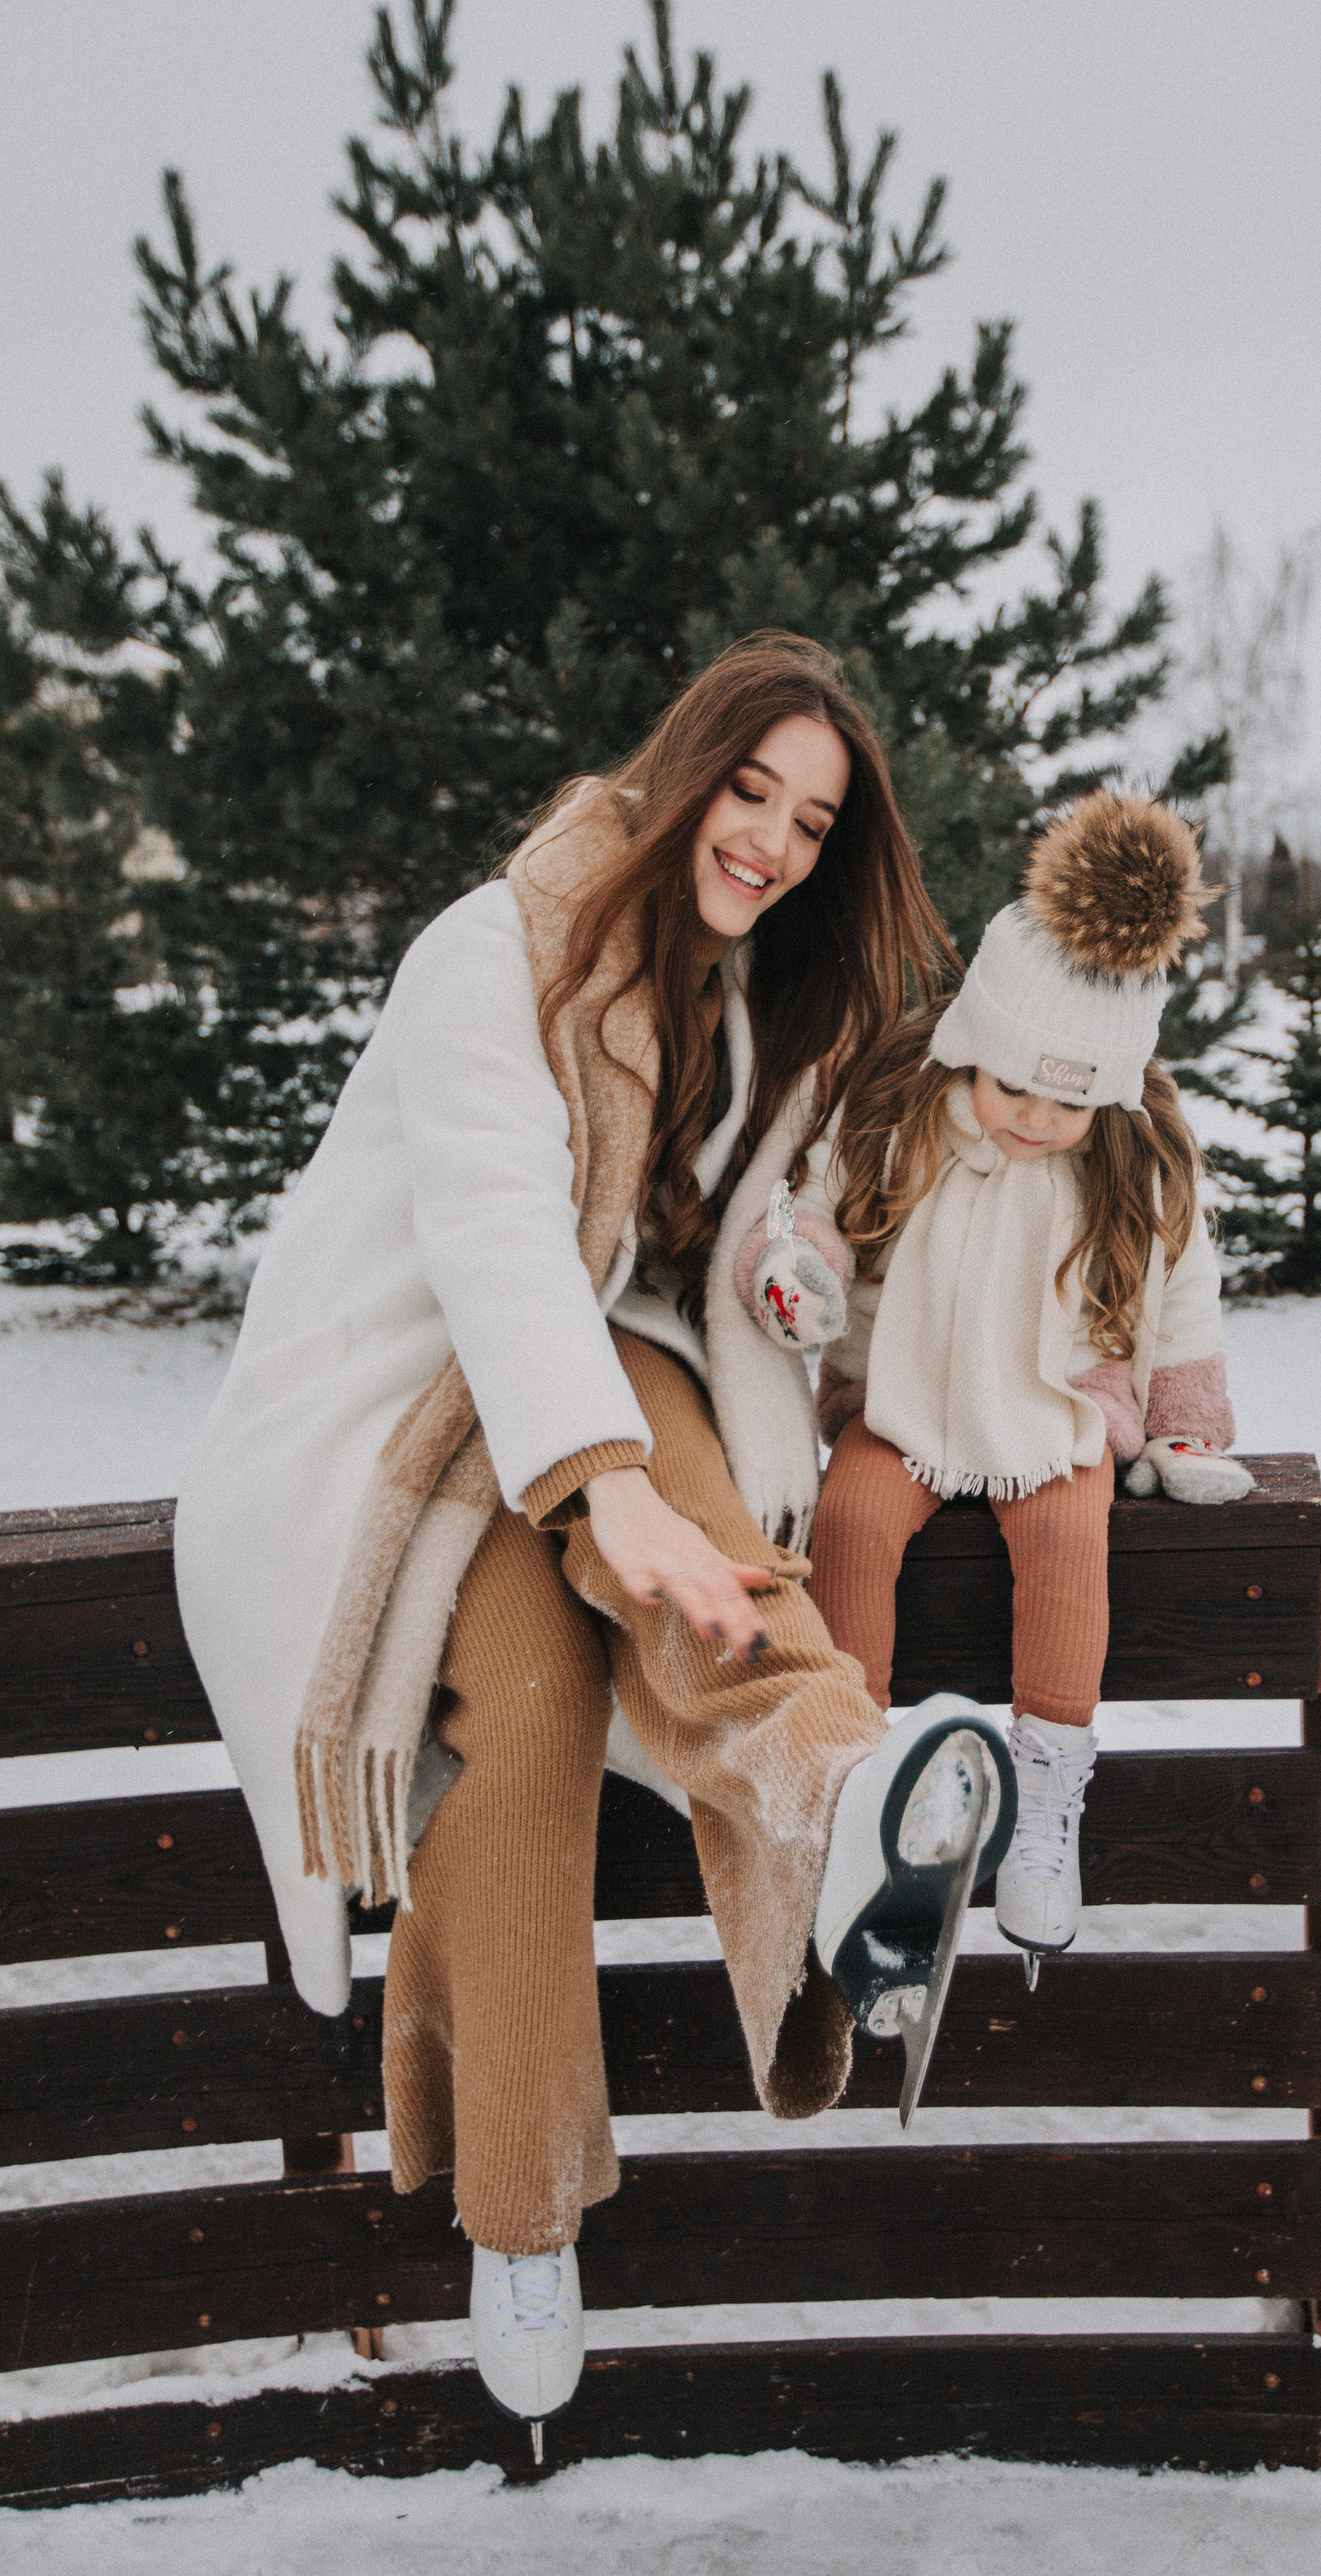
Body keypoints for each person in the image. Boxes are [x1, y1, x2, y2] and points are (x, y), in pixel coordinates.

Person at [173, 634, 1014, 2447]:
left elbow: (733, 1267)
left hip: (606, 1382)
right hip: (412, 1419)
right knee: (536, 1706)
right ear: (681, 771)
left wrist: (832, 1314)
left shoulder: (749, 999)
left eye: (812, 820)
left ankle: (841, 1779)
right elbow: (489, 1224)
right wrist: (601, 1480)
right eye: (753, 792)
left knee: (690, 1491)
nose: (776, 841)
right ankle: (524, 2216)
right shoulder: (495, 949)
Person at [738, 791, 1254, 1984]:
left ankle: (1048, 1794)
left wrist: (1181, 1429)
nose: (1034, 1121)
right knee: (856, 1522)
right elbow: (816, 1203)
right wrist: (801, 1267)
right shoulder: (905, 1116)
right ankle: (852, 1785)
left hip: (1056, 1415)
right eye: (1015, 1087)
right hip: (903, 1404)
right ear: (974, 1043)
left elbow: (1184, 1296)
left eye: (1070, 1101)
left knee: (1073, 1535)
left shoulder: (1135, 1160)